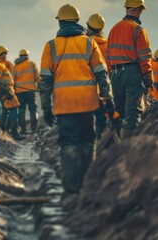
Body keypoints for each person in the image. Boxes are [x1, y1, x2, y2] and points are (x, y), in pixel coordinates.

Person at [39, 4, 114, 194]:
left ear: (61, 22)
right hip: (87, 103)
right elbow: (101, 73)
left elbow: (46, 83)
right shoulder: (89, 43)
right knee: (88, 142)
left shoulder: (51, 46)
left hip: (64, 106)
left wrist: (46, 108)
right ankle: (87, 186)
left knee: (68, 145)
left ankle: (71, 189)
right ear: (77, 21)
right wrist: (107, 96)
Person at [106, 0, 153, 139]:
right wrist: (147, 74)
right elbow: (144, 56)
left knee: (120, 111)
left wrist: (111, 73)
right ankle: (127, 148)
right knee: (133, 111)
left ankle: (118, 142)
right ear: (138, 10)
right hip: (132, 73)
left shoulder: (113, 29)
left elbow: (108, 55)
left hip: (115, 74)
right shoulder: (138, 30)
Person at [0, 45, 24, 140]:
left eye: (6, 54)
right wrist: (7, 88)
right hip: (6, 92)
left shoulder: (2, 65)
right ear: (0, 54)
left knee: (5, 111)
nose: (6, 55)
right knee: (14, 111)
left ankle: (1, 131)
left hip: (7, 91)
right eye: (4, 54)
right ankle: (14, 133)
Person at [86, 13, 109, 140]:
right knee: (104, 115)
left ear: (89, 28)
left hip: (89, 86)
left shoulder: (86, 43)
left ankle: (94, 141)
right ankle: (102, 139)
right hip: (105, 85)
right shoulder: (109, 44)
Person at [13, 49, 40, 134]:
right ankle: (34, 128)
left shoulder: (15, 67)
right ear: (27, 56)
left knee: (21, 111)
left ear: (20, 56)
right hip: (30, 91)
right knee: (33, 109)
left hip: (19, 92)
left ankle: (23, 130)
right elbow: (38, 78)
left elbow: (12, 80)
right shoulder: (32, 64)